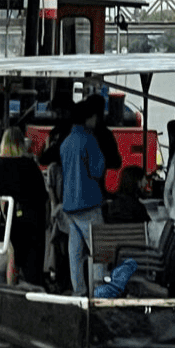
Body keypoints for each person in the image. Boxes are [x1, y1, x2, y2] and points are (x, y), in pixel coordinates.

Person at [0, 127, 50, 286]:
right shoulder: (29, 164)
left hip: (11, 215)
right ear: (21, 143)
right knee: (33, 259)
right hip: (34, 215)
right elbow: (42, 194)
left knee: (13, 254)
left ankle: (11, 289)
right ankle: (33, 290)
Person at [58, 98, 109, 294]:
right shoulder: (89, 140)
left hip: (70, 205)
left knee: (75, 254)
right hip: (88, 202)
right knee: (99, 252)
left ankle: (78, 292)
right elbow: (97, 170)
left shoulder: (66, 143)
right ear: (89, 118)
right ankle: (99, 292)